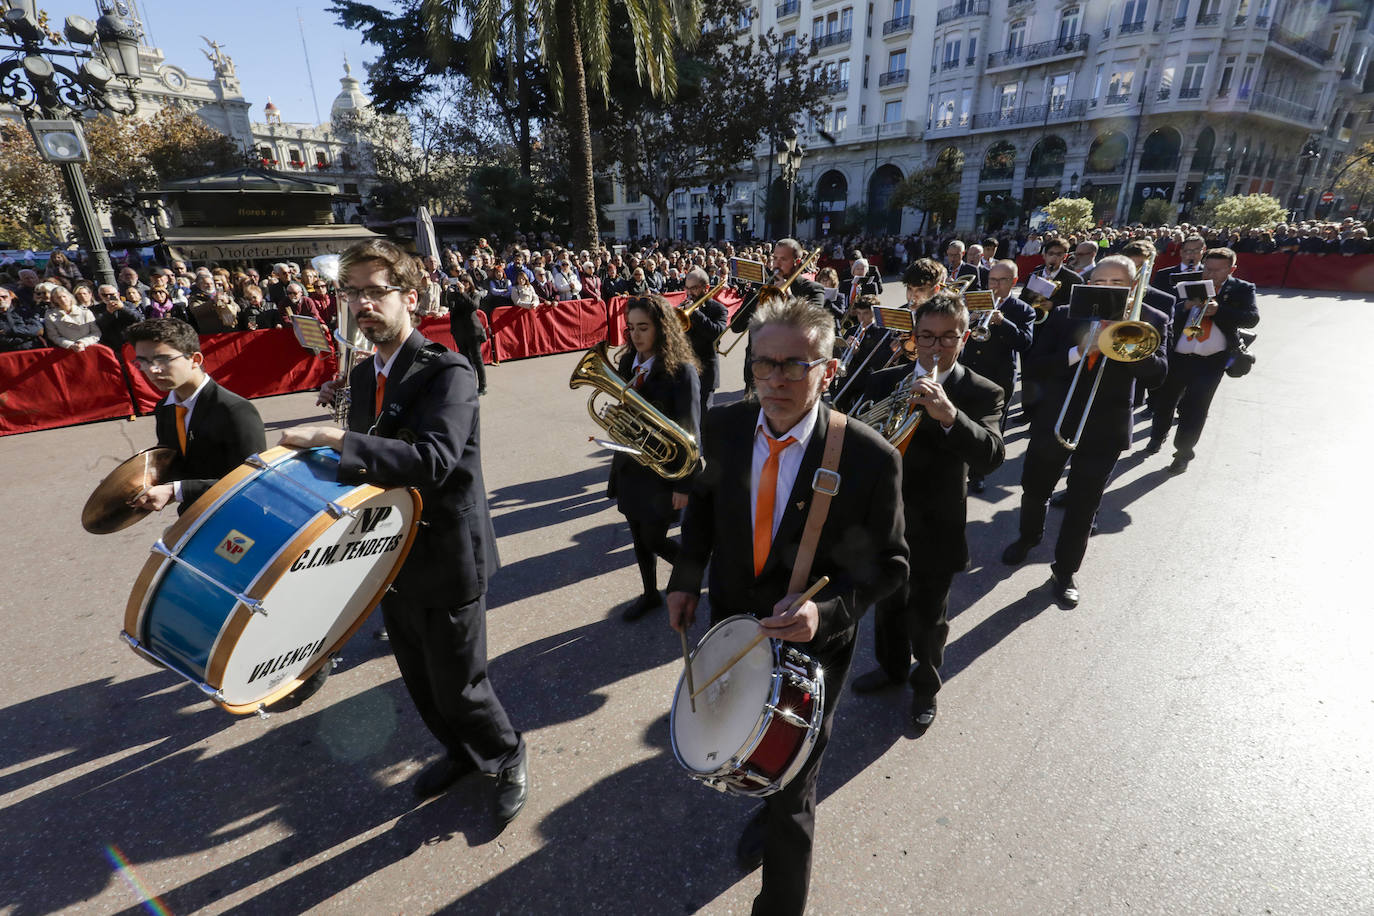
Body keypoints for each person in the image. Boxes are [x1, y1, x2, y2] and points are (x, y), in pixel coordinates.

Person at [667, 296, 907, 916]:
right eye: (763, 363)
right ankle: (765, 810)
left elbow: (891, 567)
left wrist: (824, 617)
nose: (775, 378)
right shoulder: (722, 427)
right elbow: (701, 519)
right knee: (747, 749)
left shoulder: (868, 457)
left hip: (812, 647)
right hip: (731, 626)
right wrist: (686, 581)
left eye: (795, 365)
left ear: (827, 368)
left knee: (794, 787)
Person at [279, 238, 527, 822]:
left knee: (461, 683)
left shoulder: (450, 371)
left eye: (375, 291)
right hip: (391, 552)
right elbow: (370, 467)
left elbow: (433, 459)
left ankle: (506, 753)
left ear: (410, 298)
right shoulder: (365, 377)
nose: (362, 304)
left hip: (446, 550)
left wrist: (338, 440)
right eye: (352, 293)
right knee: (417, 677)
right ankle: (461, 753)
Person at [849, 293, 1005, 732]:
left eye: (947, 338)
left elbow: (992, 456)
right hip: (885, 520)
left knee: (929, 618)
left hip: (937, 523)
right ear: (913, 338)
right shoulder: (884, 381)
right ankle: (892, 668)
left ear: (965, 337)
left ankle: (925, 686)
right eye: (926, 337)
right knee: (887, 605)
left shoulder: (981, 391)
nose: (935, 348)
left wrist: (949, 414)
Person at [1001, 255, 1170, 607]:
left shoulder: (1152, 320)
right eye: (1100, 282)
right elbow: (1035, 366)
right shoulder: (1065, 315)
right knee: (1035, 488)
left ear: (1132, 287)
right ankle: (1028, 537)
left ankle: (1064, 571)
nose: (1107, 289)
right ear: (1089, 283)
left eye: (1117, 283)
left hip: (1104, 428)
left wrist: (1129, 344)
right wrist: (1080, 351)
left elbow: (1157, 377)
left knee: (1083, 505)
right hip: (1056, 419)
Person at [608, 294, 701, 620]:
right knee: (637, 536)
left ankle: (697, 573)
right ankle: (649, 594)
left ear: (662, 328)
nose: (635, 335)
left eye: (643, 327)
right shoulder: (625, 363)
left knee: (654, 537)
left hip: (663, 474)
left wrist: (684, 485)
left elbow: (692, 434)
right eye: (631, 327)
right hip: (630, 468)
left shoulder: (682, 372)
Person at [125, 317, 266, 513]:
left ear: (195, 359)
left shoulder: (234, 410)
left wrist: (176, 491)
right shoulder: (165, 408)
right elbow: (180, 463)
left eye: (164, 359)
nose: (153, 369)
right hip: (193, 517)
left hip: (237, 520)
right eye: (144, 362)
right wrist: (141, 477)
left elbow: (252, 482)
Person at [1146, 247, 1259, 473]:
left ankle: (1183, 453)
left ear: (1231, 269)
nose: (1210, 273)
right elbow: (1163, 313)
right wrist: (1184, 306)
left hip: (1211, 360)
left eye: (1218, 270)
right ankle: (1157, 436)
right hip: (1178, 355)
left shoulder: (1242, 289)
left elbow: (1252, 319)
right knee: (1165, 401)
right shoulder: (1186, 283)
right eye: (1208, 267)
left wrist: (1219, 311)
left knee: (1196, 408)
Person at [958, 259, 1035, 490]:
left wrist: (1003, 323)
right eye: (992, 279)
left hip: (998, 377)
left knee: (990, 427)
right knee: (964, 419)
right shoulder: (973, 302)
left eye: (1002, 280)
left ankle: (979, 472)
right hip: (969, 371)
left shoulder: (1023, 309)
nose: (995, 285)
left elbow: (1025, 343)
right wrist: (966, 323)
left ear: (1013, 281)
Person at [680, 267, 729, 416]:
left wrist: (695, 313)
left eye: (693, 288)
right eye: (687, 288)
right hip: (684, 372)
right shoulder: (683, 306)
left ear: (706, 288)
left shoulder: (718, 309)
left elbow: (717, 333)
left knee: (703, 420)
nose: (689, 293)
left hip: (705, 374)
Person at [446, 270, 489, 395]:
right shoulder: (456, 294)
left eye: (466, 282)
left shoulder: (474, 294)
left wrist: (463, 293)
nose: (464, 284)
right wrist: (448, 293)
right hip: (459, 331)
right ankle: (470, 386)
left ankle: (483, 386)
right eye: (462, 282)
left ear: (470, 284)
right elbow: (452, 307)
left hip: (472, 331)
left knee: (477, 358)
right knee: (465, 360)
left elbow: (473, 307)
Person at [1023, 236, 1081, 309]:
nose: (1054, 258)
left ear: (1065, 256)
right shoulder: (1034, 275)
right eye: (1051, 253)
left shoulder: (1074, 279)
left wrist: (1054, 305)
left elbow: (1075, 305)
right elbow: (1023, 299)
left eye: (1059, 254)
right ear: (1044, 255)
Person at [43, 286, 99, 351]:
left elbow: (96, 332)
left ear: (70, 297)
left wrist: (83, 342)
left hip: (89, 347)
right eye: (58, 298)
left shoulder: (84, 312)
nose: (62, 299)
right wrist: (70, 345)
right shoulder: (50, 316)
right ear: (54, 300)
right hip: (68, 350)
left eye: (64, 296)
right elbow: (53, 336)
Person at [94, 284, 142, 349]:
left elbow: (139, 318)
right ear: (100, 296)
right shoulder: (96, 309)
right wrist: (109, 313)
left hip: (130, 343)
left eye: (111, 295)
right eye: (105, 295)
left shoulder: (128, 304)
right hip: (109, 345)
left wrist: (123, 308)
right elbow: (98, 325)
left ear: (118, 294)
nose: (108, 297)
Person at [0, 285, 46, 350]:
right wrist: (27, 337)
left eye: (4, 297)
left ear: (10, 297)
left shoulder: (23, 311)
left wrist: (11, 331)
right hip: (8, 354)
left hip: (32, 350)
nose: (1, 299)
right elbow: (2, 340)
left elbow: (38, 329)